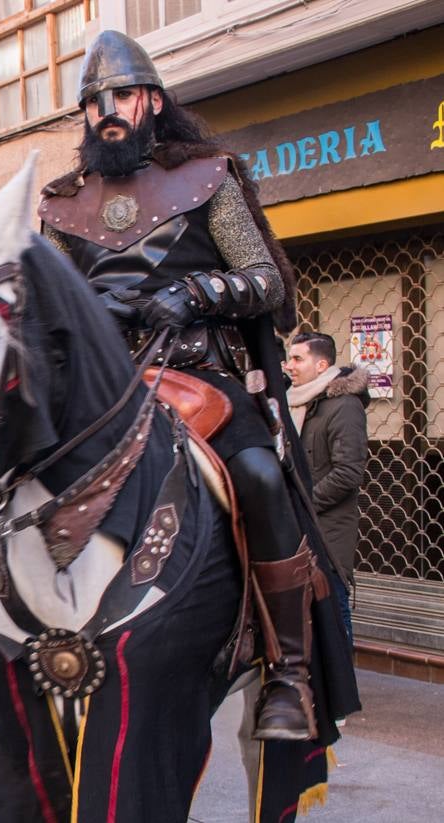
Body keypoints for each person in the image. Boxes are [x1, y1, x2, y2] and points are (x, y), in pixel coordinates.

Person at [29, 30, 357, 741]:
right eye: (94, 103)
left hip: (197, 377)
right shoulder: (62, 205)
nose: (107, 112)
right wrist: (89, 310)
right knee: (7, 469)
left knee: (263, 477)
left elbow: (268, 280)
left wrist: (200, 290)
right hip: (100, 389)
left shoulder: (209, 176)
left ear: (151, 101)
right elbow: (44, 309)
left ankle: (289, 673)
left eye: (120, 96)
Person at [285, 332, 369, 645]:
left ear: (322, 365)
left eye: (297, 358)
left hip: (327, 531)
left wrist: (301, 502)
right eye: (289, 357)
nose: (289, 365)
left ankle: (343, 688)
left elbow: (347, 473)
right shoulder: (297, 401)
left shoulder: (343, 406)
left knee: (333, 611)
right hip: (297, 526)